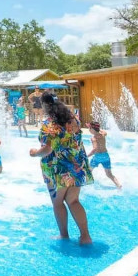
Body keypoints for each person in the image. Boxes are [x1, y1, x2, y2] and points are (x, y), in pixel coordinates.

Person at [29, 93, 93, 245]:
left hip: (57, 170)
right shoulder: (73, 119)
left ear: (44, 105)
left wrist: (34, 153)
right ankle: (85, 236)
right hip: (77, 165)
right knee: (74, 201)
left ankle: (64, 235)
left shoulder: (49, 125)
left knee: (58, 203)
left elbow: (47, 149)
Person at [87, 122, 122, 189]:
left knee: (89, 171)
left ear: (93, 129)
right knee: (109, 174)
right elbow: (103, 131)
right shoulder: (103, 134)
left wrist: (87, 156)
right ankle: (118, 185)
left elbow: (94, 149)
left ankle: (86, 185)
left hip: (97, 157)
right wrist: (96, 128)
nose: (89, 130)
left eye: (89, 128)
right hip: (106, 156)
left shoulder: (93, 138)